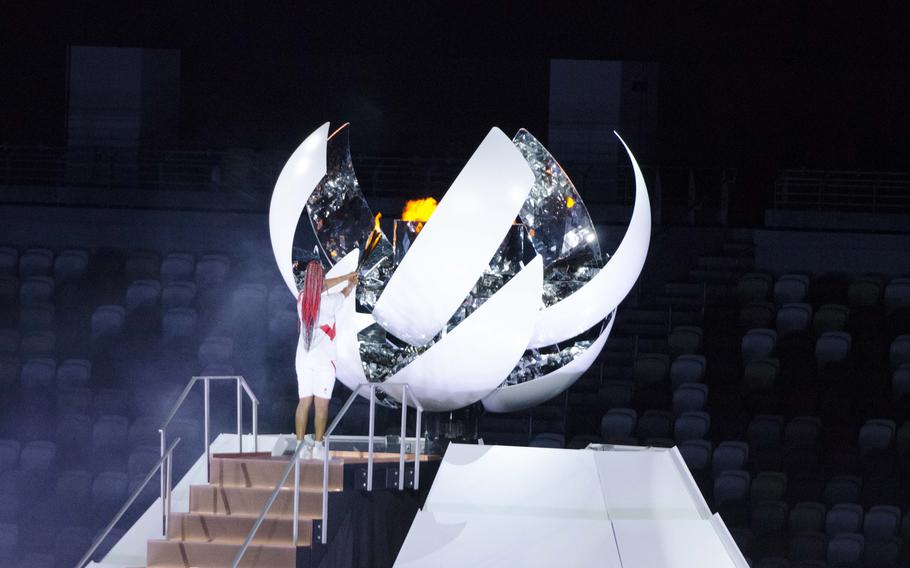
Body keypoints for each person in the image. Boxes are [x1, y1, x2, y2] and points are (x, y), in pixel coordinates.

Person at [293, 259, 358, 458]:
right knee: (321, 405)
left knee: (304, 402)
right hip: (324, 362)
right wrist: (350, 284)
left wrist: (346, 277)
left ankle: (300, 446)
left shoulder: (302, 298)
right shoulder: (330, 303)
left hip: (303, 360)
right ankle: (318, 446)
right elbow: (343, 294)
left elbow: (319, 287)